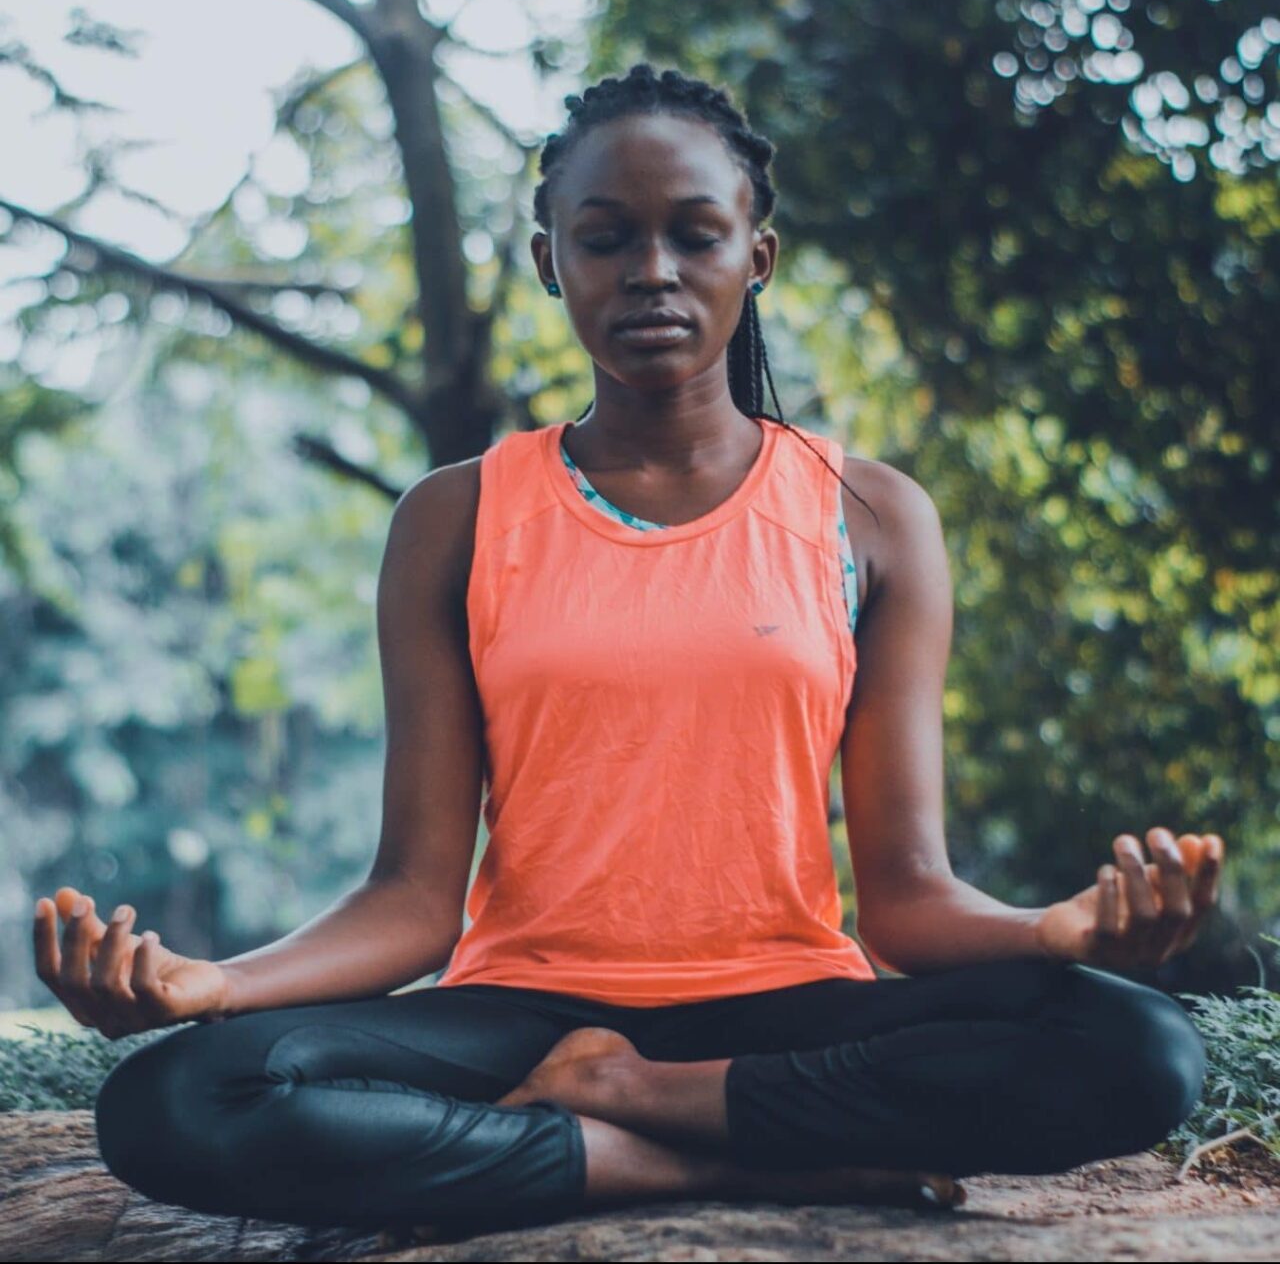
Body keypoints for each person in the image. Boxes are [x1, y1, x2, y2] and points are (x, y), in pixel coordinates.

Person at [33, 64, 1222, 1240]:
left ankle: (627, 1103)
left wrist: (1055, 932)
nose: (651, 270)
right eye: (604, 239)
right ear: (551, 260)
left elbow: (906, 903)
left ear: (754, 255)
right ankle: (690, 1169)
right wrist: (215, 985)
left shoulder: (866, 514)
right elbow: (408, 901)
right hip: (518, 1014)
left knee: (1135, 1047)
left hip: (782, 1009)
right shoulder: (456, 518)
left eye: (694, 235)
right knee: (179, 1099)